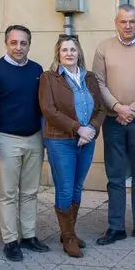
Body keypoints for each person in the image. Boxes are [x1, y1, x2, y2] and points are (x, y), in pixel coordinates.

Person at [92, 5, 135, 245]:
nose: (128, 26)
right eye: (123, 21)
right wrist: (117, 107)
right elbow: (98, 82)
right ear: (116, 23)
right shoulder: (103, 48)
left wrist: (132, 109)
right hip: (113, 120)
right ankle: (116, 227)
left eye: (132, 21)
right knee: (115, 175)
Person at [0, 25, 46, 262]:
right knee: (7, 193)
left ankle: (28, 236)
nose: (19, 47)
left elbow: (43, 107)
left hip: (34, 138)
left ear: (29, 45)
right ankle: (10, 241)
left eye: (23, 43)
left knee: (30, 192)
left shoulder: (37, 70)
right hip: (6, 139)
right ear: (6, 43)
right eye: (14, 43)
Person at [39, 34, 104, 258]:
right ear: (58, 54)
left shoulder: (90, 78)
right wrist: (78, 128)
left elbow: (101, 109)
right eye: (65, 50)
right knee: (65, 189)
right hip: (60, 141)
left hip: (86, 141)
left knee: (77, 187)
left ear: (79, 53)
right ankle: (67, 237)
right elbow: (48, 110)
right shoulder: (49, 78)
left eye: (73, 49)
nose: (69, 53)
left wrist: (91, 129)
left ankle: (70, 232)